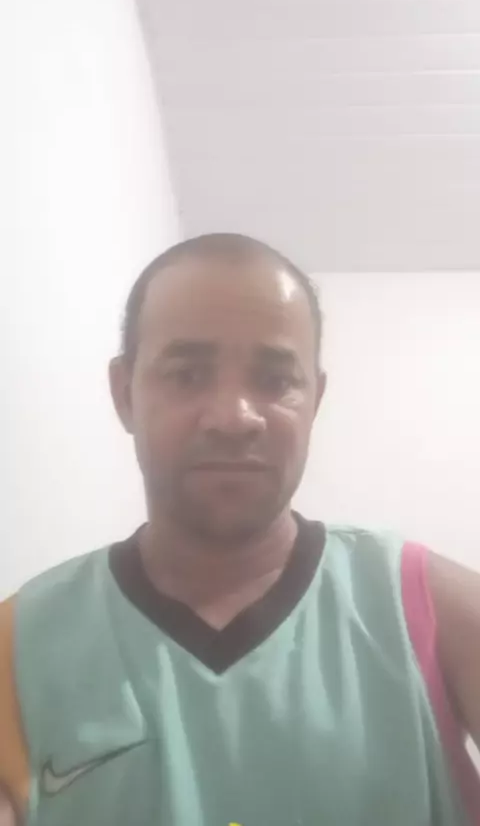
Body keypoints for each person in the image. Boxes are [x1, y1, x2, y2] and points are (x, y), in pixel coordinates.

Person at [0, 233, 479, 826]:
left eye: (275, 380)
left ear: (315, 400)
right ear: (124, 394)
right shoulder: (19, 644)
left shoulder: (425, 608)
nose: (234, 417)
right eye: (187, 375)